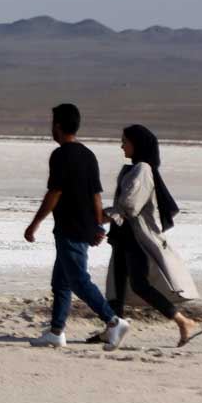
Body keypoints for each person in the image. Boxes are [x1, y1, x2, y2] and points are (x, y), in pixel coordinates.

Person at [22, 103, 129, 349]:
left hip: (70, 228)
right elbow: (96, 196)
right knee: (61, 281)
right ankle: (56, 332)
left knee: (79, 279)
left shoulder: (60, 155)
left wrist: (34, 224)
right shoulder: (88, 154)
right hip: (82, 227)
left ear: (57, 126)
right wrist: (97, 225)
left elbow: (55, 193)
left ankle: (113, 321)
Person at [90, 124, 202, 347]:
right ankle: (111, 329)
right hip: (124, 236)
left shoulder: (142, 169)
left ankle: (183, 321)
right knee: (117, 286)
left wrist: (100, 216)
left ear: (137, 144)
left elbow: (130, 206)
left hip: (136, 239)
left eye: (125, 141)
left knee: (140, 285)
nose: (122, 145)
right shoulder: (135, 168)